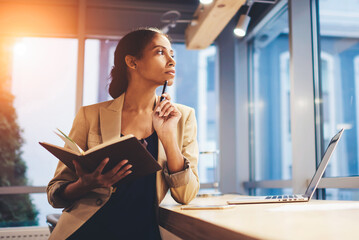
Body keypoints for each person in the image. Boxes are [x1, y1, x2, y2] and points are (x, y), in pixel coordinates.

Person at [46, 27, 200, 239]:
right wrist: (85, 184)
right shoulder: (90, 115)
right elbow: (55, 193)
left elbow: (186, 195)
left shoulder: (183, 116)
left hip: (144, 233)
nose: (172, 61)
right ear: (132, 62)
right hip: (88, 231)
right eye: (160, 52)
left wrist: (169, 138)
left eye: (172, 54)